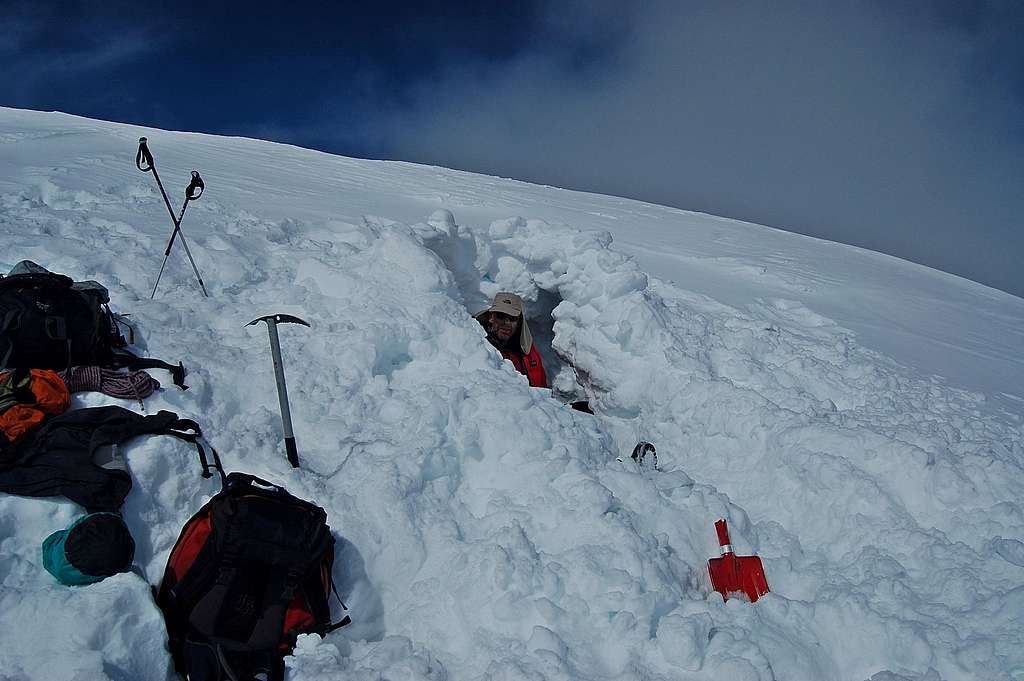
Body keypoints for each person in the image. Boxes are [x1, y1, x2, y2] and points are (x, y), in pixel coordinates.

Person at [475, 292, 549, 388]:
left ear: (519, 321)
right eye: (501, 316)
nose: (507, 323)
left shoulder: (526, 350)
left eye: (512, 318)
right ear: (491, 317)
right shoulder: (478, 346)